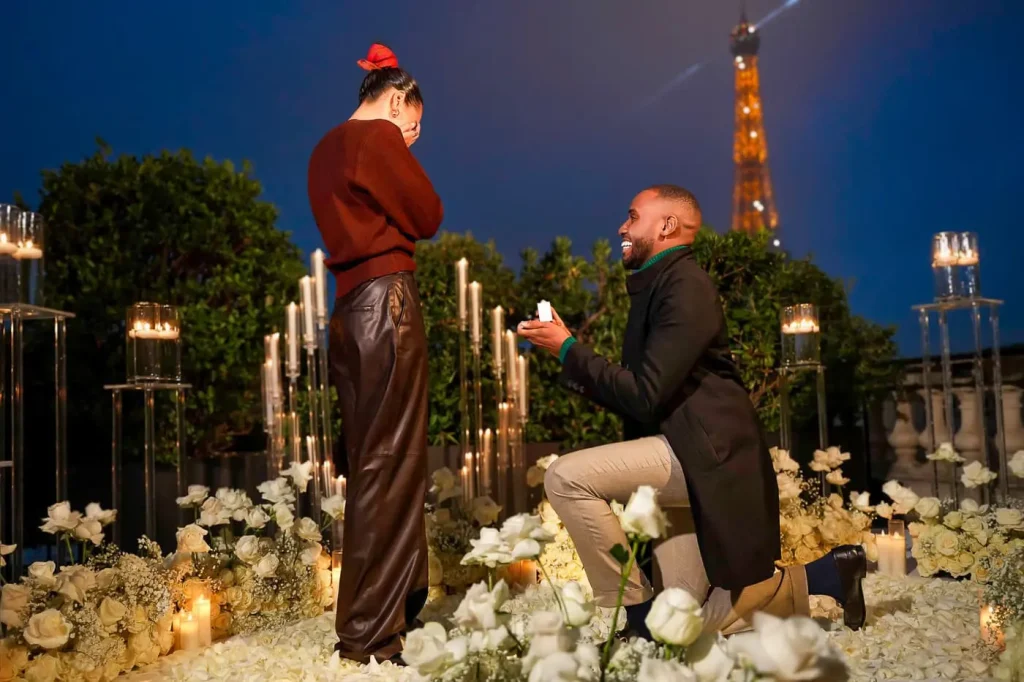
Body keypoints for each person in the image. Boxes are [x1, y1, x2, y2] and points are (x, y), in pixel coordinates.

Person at [517, 184, 866, 638]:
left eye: (633, 216)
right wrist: (568, 351)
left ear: (667, 226)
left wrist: (567, 349)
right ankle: (827, 575)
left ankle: (636, 619)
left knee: (564, 477)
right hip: (681, 453)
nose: (622, 227)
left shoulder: (685, 286)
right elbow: (643, 394)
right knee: (680, 627)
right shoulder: (660, 284)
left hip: (707, 458)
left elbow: (644, 393)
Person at [307, 43, 443, 664]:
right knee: (391, 465)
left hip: (348, 312)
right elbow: (428, 213)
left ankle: (390, 611)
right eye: (412, 125)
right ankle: (370, 634)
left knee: (370, 462)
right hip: (387, 304)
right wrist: (399, 149)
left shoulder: (323, 149)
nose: (411, 140)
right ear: (395, 99)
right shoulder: (377, 139)